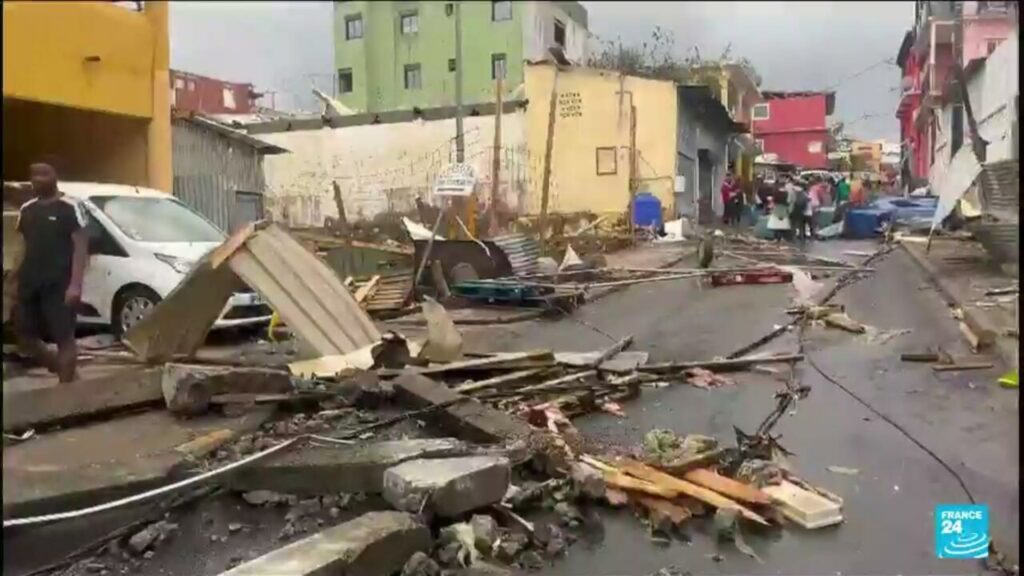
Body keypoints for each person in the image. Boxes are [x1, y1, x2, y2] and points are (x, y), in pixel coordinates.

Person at [15, 160, 89, 383]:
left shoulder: (71, 206)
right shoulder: (27, 210)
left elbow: (81, 245)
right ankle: (61, 368)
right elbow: (22, 248)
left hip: (60, 284)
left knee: (64, 338)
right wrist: (11, 281)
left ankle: (67, 396)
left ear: (56, 175)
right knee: (25, 337)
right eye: (34, 174)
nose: (38, 179)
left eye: (44, 173)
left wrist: (76, 284)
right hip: (30, 283)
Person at [767, 177, 792, 242]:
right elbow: (789, 202)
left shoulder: (775, 192)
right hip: (784, 211)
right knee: (783, 226)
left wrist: (770, 207)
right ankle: (782, 237)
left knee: (776, 225)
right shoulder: (787, 192)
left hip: (776, 210)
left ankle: (776, 238)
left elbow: (773, 201)